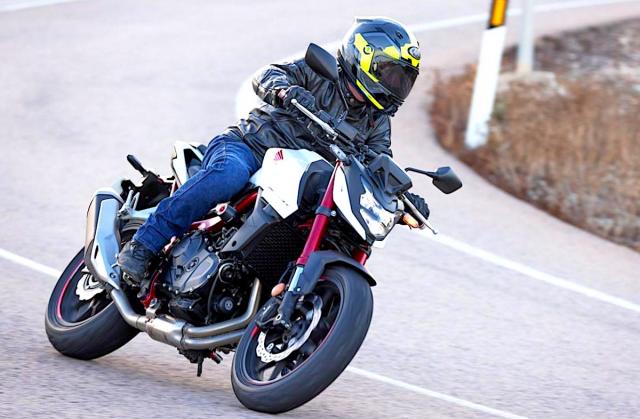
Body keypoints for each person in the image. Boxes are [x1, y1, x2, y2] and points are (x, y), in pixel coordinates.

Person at [118, 17, 431, 285]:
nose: (396, 86)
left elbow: (378, 163)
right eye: (392, 74)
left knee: (336, 228)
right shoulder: (319, 73)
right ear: (364, 60)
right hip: (251, 147)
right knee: (228, 175)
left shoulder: (377, 123)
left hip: (302, 181)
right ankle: (145, 243)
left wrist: (399, 195)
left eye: (403, 79)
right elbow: (267, 75)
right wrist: (288, 92)